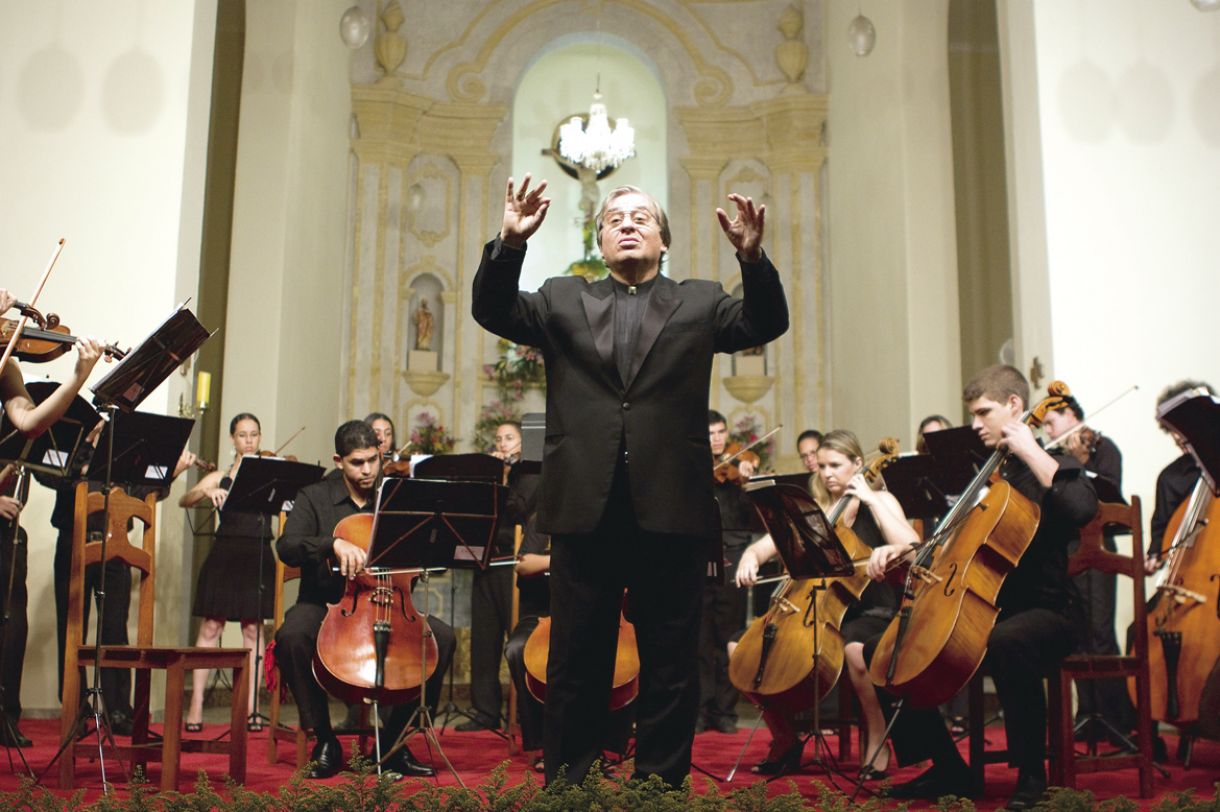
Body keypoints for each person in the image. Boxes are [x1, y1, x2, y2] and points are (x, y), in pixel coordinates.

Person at [472, 175, 789, 786]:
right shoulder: (561, 298)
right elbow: (493, 309)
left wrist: (751, 258)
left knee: (671, 661)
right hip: (583, 508)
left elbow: (763, 323)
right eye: (616, 217)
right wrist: (509, 243)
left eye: (642, 217)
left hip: (671, 507)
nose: (627, 223)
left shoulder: (699, 301)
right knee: (575, 660)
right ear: (599, 237)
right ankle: (571, 787)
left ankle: (659, 790)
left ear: (663, 240)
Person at [861, 364, 1097, 811]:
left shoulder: (1051, 465)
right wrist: (906, 553)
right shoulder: (986, 481)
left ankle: (1032, 776)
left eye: (982, 412)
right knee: (882, 649)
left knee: (1007, 641)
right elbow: (953, 549)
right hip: (985, 607)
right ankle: (949, 768)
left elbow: (1081, 507)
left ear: (1014, 406)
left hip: (1050, 612)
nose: (973, 424)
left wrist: (1030, 449)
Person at [273, 420, 456, 779]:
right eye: (357, 462)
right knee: (291, 636)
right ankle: (325, 739)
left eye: (374, 459)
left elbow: (429, 548)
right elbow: (287, 546)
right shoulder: (315, 497)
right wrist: (332, 543)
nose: (368, 469)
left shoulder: (397, 495)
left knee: (442, 639)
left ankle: (390, 745)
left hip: (391, 602)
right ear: (338, 460)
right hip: (327, 604)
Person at [735, 429, 917, 777]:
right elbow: (767, 543)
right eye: (822, 466)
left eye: (835, 465)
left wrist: (872, 499)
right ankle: (786, 738)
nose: (827, 472)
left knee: (853, 650)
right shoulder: (819, 510)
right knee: (741, 649)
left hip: (873, 610)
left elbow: (911, 546)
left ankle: (877, 737)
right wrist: (751, 557)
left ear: (858, 464)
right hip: (826, 611)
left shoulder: (883, 500)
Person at [1041, 394, 1134, 741]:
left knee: (1100, 635)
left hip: (1097, 549)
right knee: (1076, 638)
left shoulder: (1103, 447)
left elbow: (1107, 495)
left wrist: (1079, 462)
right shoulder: (1051, 454)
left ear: (1073, 415)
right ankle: (1087, 715)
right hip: (1064, 549)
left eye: (1051, 422)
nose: (1047, 429)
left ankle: (1116, 721)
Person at [180, 413, 275, 732]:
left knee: (253, 630)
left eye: (254, 435)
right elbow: (185, 500)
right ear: (232, 439)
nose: (249, 440)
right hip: (225, 554)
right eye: (243, 435)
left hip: (257, 552)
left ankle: (251, 708)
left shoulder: (269, 476)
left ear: (259, 438)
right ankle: (195, 709)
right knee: (210, 627)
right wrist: (205, 493)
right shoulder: (220, 476)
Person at [458, 420, 539, 731]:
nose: (503, 443)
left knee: (515, 637)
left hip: (514, 564)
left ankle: (522, 712)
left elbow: (520, 511)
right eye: (499, 439)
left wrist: (505, 477)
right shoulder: (491, 475)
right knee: (484, 639)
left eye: (510, 438)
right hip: (486, 561)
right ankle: (485, 710)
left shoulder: (532, 473)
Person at [697, 410, 758, 735]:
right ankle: (701, 709)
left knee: (728, 635)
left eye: (721, 432)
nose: (717, 438)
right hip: (698, 553)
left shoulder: (739, 469)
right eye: (710, 433)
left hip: (733, 553)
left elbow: (754, 517)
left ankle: (725, 711)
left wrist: (748, 484)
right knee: (700, 637)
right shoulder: (692, 467)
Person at [1146, 380, 1215, 573]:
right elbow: (1161, 533)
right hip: (1191, 573)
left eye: (1183, 426)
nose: (1177, 436)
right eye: (1172, 429)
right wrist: (1154, 555)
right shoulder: (1170, 478)